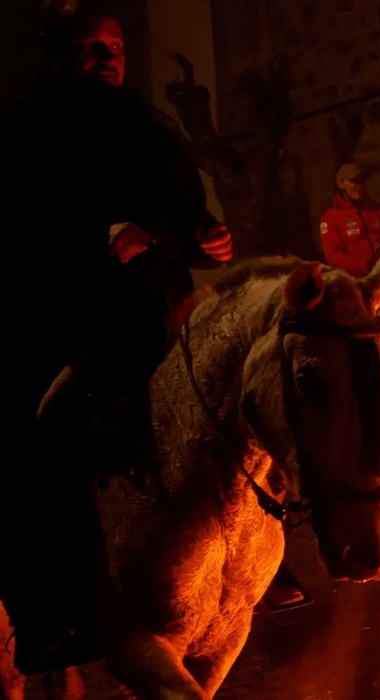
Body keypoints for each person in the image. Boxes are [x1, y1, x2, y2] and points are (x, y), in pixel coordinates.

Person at [0, 2, 232, 674]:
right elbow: (12, 227)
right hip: (61, 319)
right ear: (58, 57)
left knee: (227, 412)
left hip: (158, 313)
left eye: (118, 46)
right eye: (92, 47)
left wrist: (206, 236)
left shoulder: (149, 128)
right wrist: (99, 241)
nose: (109, 57)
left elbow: (187, 208)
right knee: (42, 440)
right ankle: (44, 613)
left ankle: (251, 570)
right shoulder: (22, 132)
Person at [320, 163, 380, 277]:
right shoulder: (331, 218)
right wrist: (366, 265)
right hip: (358, 280)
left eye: (362, 181)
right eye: (354, 182)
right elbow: (333, 255)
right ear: (340, 184)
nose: (360, 186)